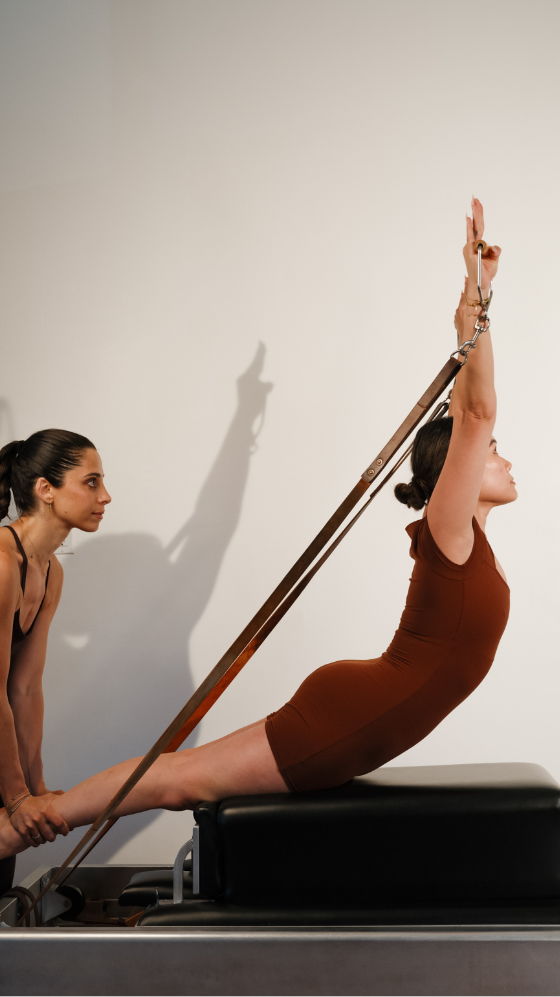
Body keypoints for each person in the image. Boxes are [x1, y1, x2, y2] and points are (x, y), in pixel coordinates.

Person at [0, 199, 517, 861]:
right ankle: (30, 821)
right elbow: (473, 410)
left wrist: (477, 302)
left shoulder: (471, 539)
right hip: (348, 717)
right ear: (457, 472)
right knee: (178, 779)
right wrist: (474, 295)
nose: (503, 453)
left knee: (176, 776)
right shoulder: (449, 532)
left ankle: (35, 814)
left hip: (358, 709)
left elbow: (467, 403)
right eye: (493, 448)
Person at [0, 431, 111, 881]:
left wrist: (36, 786)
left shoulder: (49, 572)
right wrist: (17, 798)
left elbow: (25, 688)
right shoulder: (3, 566)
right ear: (46, 489)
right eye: (91, 482)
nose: (105, 496)